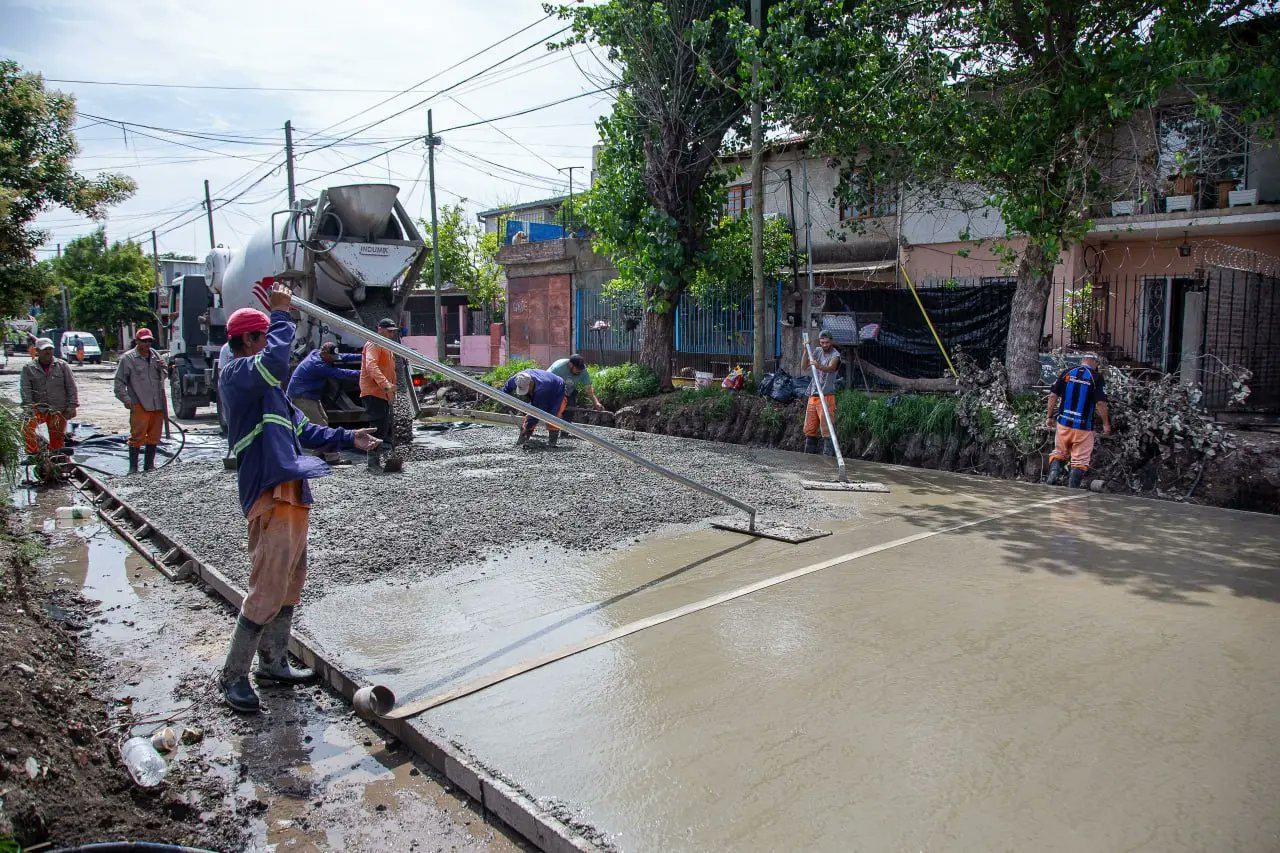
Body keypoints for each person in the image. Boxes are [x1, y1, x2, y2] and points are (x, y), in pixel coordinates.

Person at [217, 286, 381, 713]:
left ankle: (272, 663)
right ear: (251, 341)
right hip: (267, 492)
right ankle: (233, 675)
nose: (279, 349)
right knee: (268, 585)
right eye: (267, 336)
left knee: (291, 584)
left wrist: (350, 437)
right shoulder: (238, 377)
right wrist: (283, 313)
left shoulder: (273, 392)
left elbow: (307, 431)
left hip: (293, 492)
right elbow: (273, 362)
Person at [1046, 353, 1111, 488]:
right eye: (1097, 364)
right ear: (1094, 362)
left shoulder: (1067, 372)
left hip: (1063, 424)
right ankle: (1072, 490)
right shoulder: (1096, 377)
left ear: (1083, 360)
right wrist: (1106, 424)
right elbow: (1100, 403)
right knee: (1080, 461)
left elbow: (1053, 396)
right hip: (1083, 427)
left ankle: (1053, 475)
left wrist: (1049, 417)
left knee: (1059, 453)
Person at [113, 328, 168, 474]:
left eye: (149, 341)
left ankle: (149, 465)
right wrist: (127, 400)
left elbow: (163, 375)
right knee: (137, 436)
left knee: (154, 436)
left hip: (157, 404)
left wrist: (164, 367)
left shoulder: (155, 355)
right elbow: (119, 383)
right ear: (137, 341)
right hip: (140, 404)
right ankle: (133, 468)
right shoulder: (128, 359)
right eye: (144, 341)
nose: (147, 344)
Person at [19, 338, 77, 456]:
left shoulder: (62, 366)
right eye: (45, 350)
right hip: (38, 408)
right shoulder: (28, 368)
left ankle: (55, 457)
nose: (48, 352)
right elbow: (25, 390)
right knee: (26, 426)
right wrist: (28, 409)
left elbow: (71, 386)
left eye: (50, 349)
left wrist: (72, 406)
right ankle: (33, 454)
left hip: (58, 409)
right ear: (37, 351)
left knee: (57, 438)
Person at [287, 341, 362, 429]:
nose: (334, 359)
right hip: (301, 397)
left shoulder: (317, 353)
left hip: (311, 395)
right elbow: (342, 373)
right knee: (320, 425)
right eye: (331, 357)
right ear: (324, 353)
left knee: (325, 420)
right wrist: (364, 373)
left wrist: (363, 356)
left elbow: (342, 357)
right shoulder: (317, 365)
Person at [359, 318, 401, 473]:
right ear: (380, 329)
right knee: (377, 428)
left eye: (392, 332)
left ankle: (385, 459)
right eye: (389, 331)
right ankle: (372, 463)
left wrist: (391, 390)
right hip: (374, 392)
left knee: (385, 427)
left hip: (383, 394)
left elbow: (389, 370)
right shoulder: (374, 344)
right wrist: (385, 384)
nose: (391, 334)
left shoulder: (386, 346)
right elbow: (371, 365)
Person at [800, 330, 842, 455]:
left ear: (831, 342)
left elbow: (831, 368)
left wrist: (818, 366)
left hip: (827, 396)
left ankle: (827, 461)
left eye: (827, 342)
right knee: (810, 429)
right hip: (814, 395)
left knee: (827, 430)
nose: (825, 345)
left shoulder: (835, 355)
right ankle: (809, 459)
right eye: (822, 342)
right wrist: (805, 351)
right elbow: (803, 367)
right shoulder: (817, 351)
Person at [503, 367, 567, 447]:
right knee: (531, 415)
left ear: (530, 383)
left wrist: (527, 428)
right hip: (543, 386)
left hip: (557, 388)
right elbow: (506, 389)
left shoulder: (542, 390)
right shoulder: (518, 379)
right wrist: (505, 403)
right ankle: (523, 440)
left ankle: (552, 443)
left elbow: (536, 413)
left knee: (553, 415)